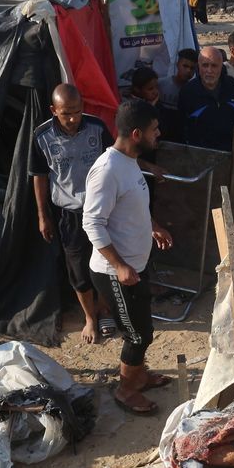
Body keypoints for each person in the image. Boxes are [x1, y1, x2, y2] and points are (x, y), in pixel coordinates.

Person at [83, 99, 174, 415]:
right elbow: (91, 222)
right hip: (115, 272)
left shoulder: (130, 161)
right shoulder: (107, 171)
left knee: (143, 327)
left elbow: (129, 207)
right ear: (136, 133)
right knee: (137, 335)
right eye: (154, 129)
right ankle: (126, 390)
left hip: (134, 266)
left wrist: (153, 226)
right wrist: (119, 265)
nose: (158, 134)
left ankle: (140, 376)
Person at [30, 83, 114, 344]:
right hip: (69, 214)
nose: (73, 119)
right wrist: (43, 215)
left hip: (101, 209)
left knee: (105, 260)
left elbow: (114, 162)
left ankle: (105, 309)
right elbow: (40, 177)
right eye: (66, 113)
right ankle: (89, 317)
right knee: (78, 268)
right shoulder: (42, 136)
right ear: (54, 110)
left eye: (77, 112)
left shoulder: (97, 129)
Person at [179, 46, 234, 149]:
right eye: (205, 65)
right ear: (198, 66)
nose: (209, 70)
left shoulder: (232, 85)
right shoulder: (188, 91)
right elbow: (182, 126)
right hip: (201, 154)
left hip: (232, 150)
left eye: (214, 66)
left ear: (221, 66)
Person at [157, 48, 196, 138]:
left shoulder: (193, 90)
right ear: (177, 64)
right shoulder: (161, 84)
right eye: (185, 66)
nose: (188, 71)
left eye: (192, 68)